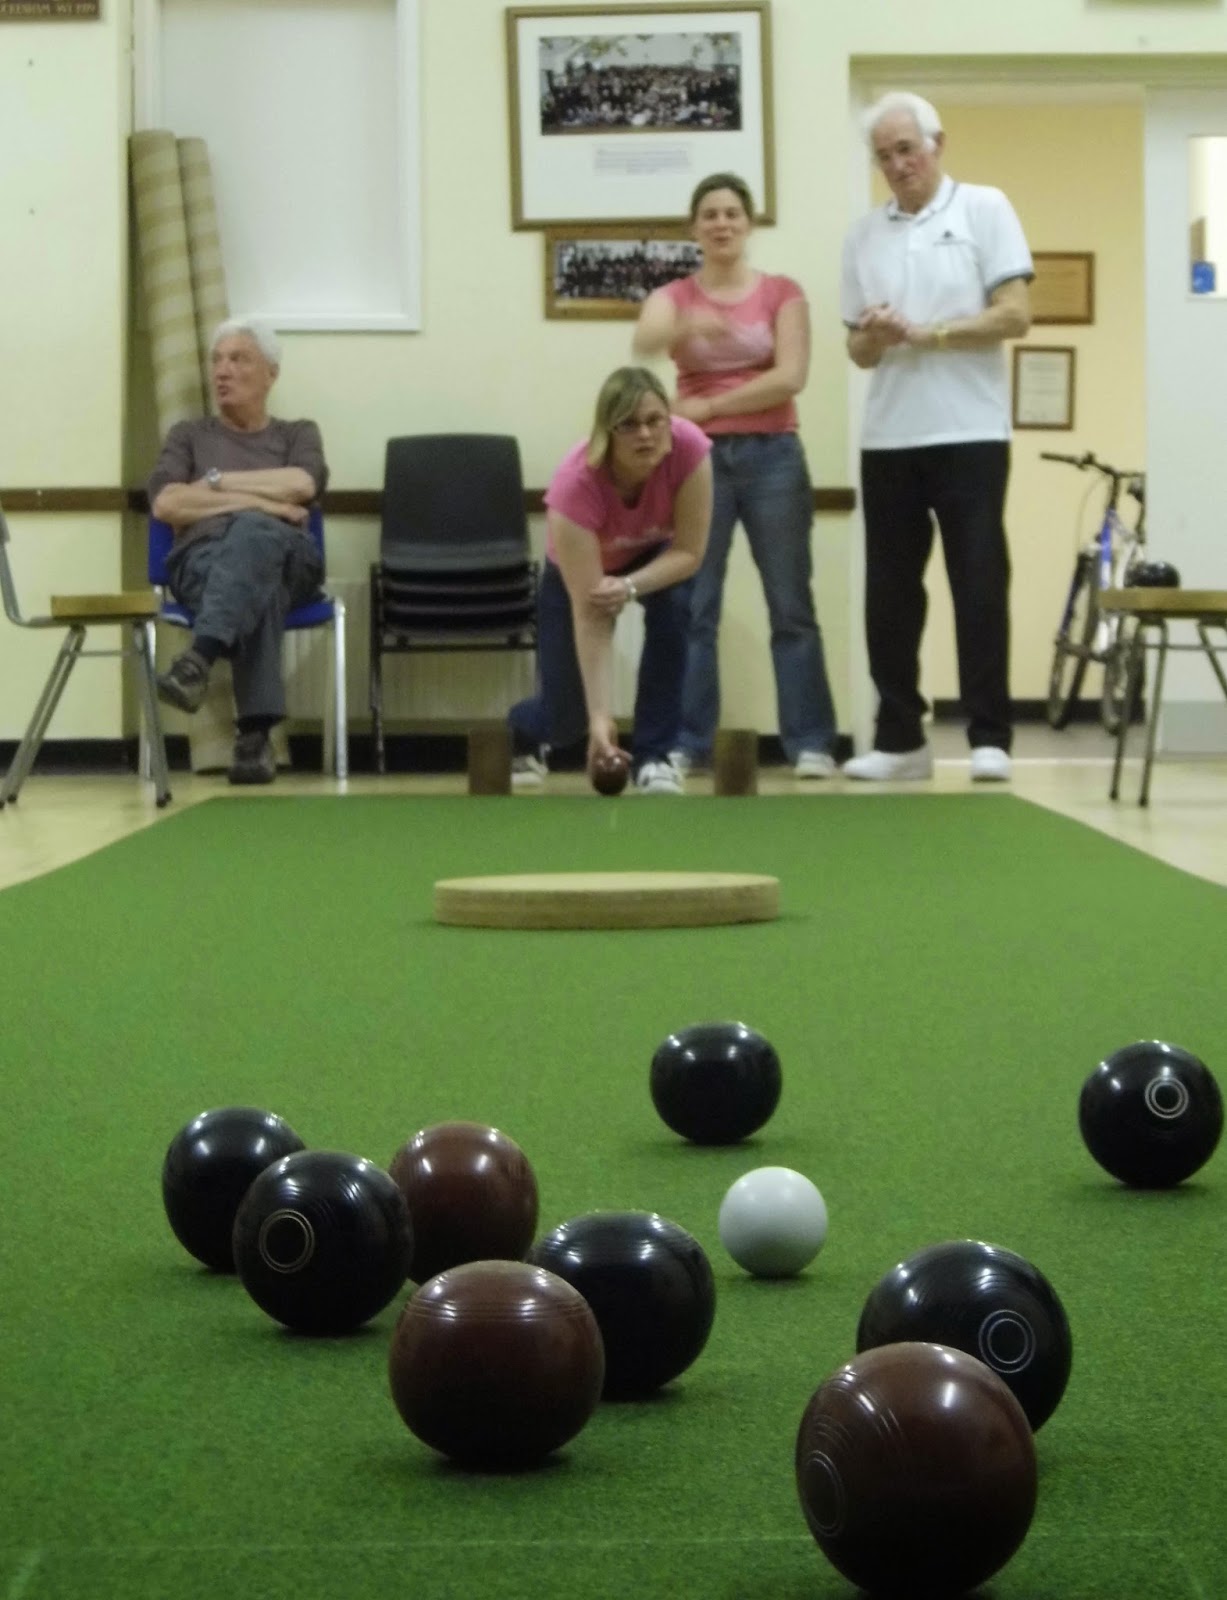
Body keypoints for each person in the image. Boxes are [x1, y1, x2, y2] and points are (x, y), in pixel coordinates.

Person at [840, 92, 1033, 782]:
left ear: (935, 144)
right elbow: (856, 353)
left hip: (970, 431)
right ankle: (899, 739)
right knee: (888, 593)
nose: (896, 165)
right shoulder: (862, 236)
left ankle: (989, 736)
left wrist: (936, 333)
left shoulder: (984, 207)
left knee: (978, 582)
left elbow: (1014, 316)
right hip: (889, 436)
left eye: (906, 150)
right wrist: (879, 334)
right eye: (884, 155)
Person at [633, 171, 839, 780]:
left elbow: (791, 376)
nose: (722, 223)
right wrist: (685, 328)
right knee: (694, 605)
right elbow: (644, 338)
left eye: (732, 213)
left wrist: (709, 407)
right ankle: (688, 743)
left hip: (774, 455)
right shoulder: (676, 294)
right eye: (710, 214)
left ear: (749, 224)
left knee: (790, 605)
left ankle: (811, 743)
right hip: (695, 462)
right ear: (694, 228)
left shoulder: (782, 292)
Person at [508, 367, 712, 795]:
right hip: (578, 569)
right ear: (608, 430)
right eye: (629, 424)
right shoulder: (575, 484)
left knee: (676, 609)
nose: (645, 435)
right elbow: (590, 612)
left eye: (656, 421)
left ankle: (655, 758)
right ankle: (523, 732)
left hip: (657, 555)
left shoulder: (690, 448)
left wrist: (631, 586)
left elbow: (690, 553)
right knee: (568, 718)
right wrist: (600, 720)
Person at [147, 316, 329, 785]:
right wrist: (260, 501)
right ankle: (253, 739)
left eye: (238, 359)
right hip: (201, 560)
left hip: (294, 562)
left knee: (254, 541)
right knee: (255, 569)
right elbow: (168, 501)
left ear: (270, 373)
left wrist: (215, 482)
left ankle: (198, 660)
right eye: (217, 360)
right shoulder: (188, 436)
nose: (222, 371)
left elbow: (302, 483)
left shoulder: (297, 434)